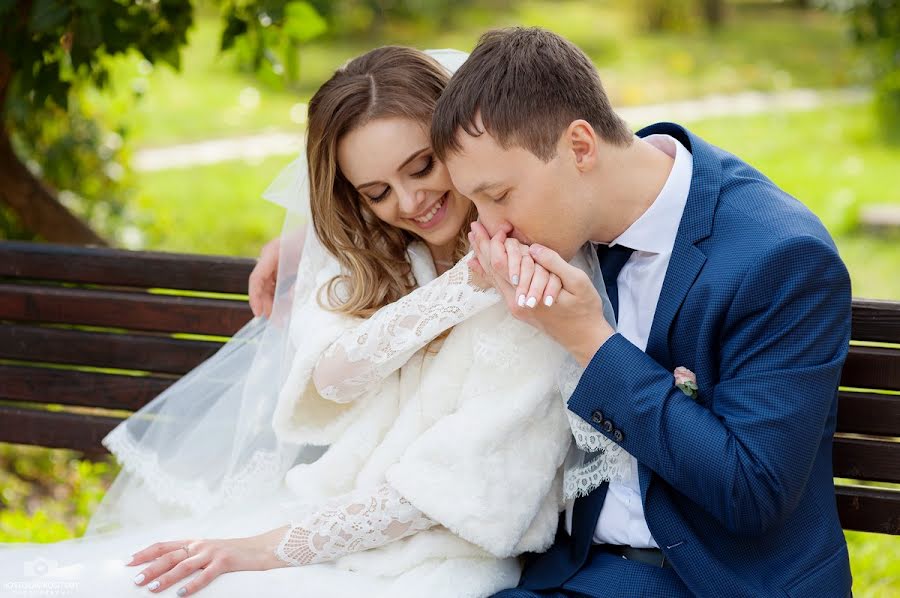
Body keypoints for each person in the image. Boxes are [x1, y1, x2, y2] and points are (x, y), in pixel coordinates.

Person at [0, 46, 620, 598]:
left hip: (432, 559)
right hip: (317, 518)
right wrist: (462, 284)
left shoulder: (541, 279)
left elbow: (450, 493)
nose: (407, 205)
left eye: (423, 166)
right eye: (375, 192)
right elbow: (332, 375)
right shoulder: (376, 254)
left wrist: (260, 552)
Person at [422, 26, 852, 598]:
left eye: (498, 196)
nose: (489, 227)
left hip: (715, 582)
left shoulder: (779, 257)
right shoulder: (561, 221)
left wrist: (591, 344)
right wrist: (303, 247)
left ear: (580, 147)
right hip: (569, 571)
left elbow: (752, 492)